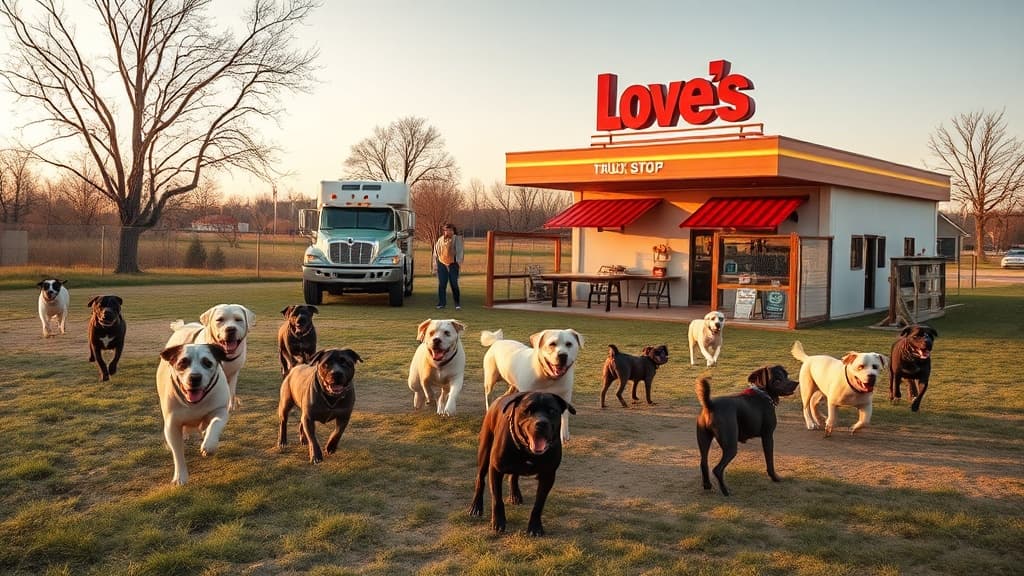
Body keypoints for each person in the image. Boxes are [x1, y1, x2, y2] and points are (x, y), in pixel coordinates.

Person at [433, 223, 464, 310]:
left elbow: (460, 251)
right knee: (442, 284)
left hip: (453, 264)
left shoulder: (457, 239)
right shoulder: (440, 239)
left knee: (454, 284)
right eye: (446, 230)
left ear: (453, 231)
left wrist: (458, 262)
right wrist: (435, 264)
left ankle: (457, 304)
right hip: (441, 263)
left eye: (450, 230)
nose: (448, 232)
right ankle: (441, 303)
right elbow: (436, 252)